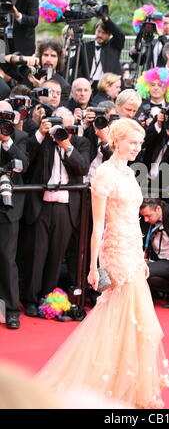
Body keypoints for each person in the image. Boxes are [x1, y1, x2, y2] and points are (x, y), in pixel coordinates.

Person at [37, 118, 169, 409]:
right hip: (114, 252)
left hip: (133, 251)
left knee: (137, 324)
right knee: (121, 319)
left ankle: (127, 385)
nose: (137, 148)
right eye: (132, 142)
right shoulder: (103, 174)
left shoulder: (129, 173)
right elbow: (97, 225)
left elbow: (133, 220)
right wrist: (93, 266)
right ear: (117, 141)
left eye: (140, 143)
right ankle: (108, 386)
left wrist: (141, 256)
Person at [21, 107, 90, 317]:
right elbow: (26, 159)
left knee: (56, 256)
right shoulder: (43, 141)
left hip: (66, 207)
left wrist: (66, 144)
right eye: (60, 128)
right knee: (36, 254)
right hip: (40, 206)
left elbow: (83, 167)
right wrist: (42, 134)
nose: (63, 132)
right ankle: (30, 299)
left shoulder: (80, 143)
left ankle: (49, 298)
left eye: (67, 128)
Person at [0, 100, 28, 329]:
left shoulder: (18, 138)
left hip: (9, 208)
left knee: (7, 260)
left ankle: (11, 310)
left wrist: (7, 141)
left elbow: (23, 165)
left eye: (6, 117)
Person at [86, 17, 125, 94]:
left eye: (103, 33)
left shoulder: (114, 46)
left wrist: (106, 19)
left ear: (109, 35)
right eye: (98, 31)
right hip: (89, 85)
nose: (100, 35)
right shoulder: (86, 47)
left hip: (108, 86)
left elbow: (120, 34)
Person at [29, 40, 71, 106]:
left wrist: (41, 90)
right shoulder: (31, 76)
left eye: (53, 56)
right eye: (45, 55)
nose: (48, 59)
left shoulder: (63, 86)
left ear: (58, 59)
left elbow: (57, 112)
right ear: (40, 57)